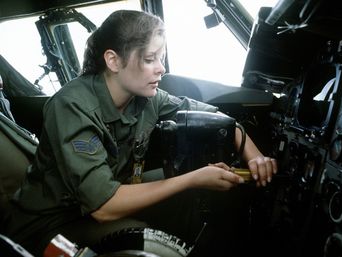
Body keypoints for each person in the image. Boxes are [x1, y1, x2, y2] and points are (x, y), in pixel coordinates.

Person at [3, 10, 277, 256]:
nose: (161, 68)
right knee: (146, 242)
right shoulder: (71, 106)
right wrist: (193, 178)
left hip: (107, 195)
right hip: (53, 225)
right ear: (113, 60)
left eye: (161, 58)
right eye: (150, 59)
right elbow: (104, 206)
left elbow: (216, 118)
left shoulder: (148, 97)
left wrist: (255, 157)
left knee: (198, 190)